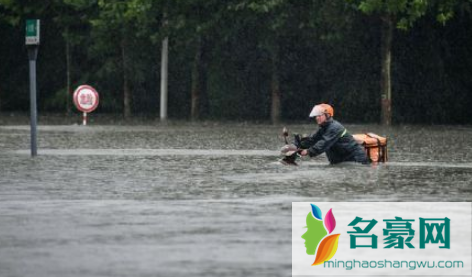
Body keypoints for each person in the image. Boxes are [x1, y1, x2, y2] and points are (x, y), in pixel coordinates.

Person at [299, 103, 369, 164]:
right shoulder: (323, 128)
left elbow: (324, 143)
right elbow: (312, 140)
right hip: (341, 160)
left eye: (319, 115)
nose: (317, 118)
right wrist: (297, 146)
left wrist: (308, 151)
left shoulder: (335, 127)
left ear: (328, 115)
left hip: (356, 160)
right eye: (316, 116)